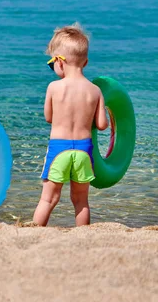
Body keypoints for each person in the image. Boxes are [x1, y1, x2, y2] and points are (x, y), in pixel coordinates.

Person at [32, 23, 108, 227]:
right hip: (84, 150)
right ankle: (83, 236)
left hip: (59, 149)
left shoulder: (54, 87)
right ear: (85, 62)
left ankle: (35, 232)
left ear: (59, 61)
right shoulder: (94, 91)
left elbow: (48, 117)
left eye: (51, 63)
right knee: (81, 201)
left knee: (48, 199)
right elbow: (102, 125)